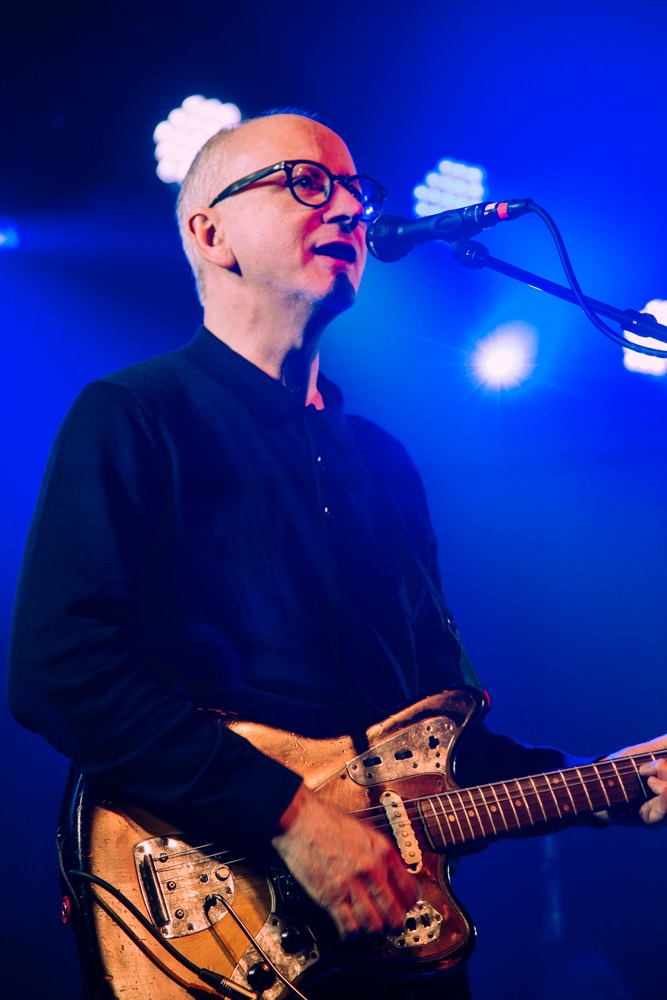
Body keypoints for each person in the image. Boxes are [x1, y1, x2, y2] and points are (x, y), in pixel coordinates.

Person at [8, 111, 667, 1000]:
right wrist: (287, 818)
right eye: (306, 183)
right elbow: (61, 669)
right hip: (208, 932)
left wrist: (601, 785)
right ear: (211, 234)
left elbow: (429, 741)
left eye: (358, 189)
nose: (351, 209)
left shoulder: (385, 462)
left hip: (393, 954)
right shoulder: (133, 415)